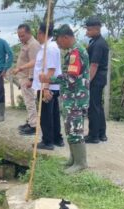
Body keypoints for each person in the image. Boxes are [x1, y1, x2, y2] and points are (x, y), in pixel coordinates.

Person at [40, 24, 89, 173]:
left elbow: (71, 78)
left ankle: (80, 163)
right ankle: (73, 159)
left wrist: (49, 78)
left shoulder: (76, 53)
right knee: (70, 129)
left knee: (75, 130)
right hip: (72, 97)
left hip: (75, 98)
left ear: (66, 37)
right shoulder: (73, 52)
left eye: (59, 40)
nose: (58, 43)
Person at [33, 22, 64, 150]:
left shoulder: (50, 48)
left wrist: (45, 88)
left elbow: (50, 70)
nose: (37, 37)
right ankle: (57, 138)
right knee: (54, 114)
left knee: (46, 115)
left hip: (47, 87)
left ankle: (48, 141)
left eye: (38, 34)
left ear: (41, 33)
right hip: (50, 86)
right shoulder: (49, 47)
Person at [12, 24, 41, 134]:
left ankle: (33, 126)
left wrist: (31, 79)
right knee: (27, 101)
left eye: (23, 36)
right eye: (19, 36)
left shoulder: (33, 45)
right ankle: (30, 121)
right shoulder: (25, 44)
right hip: (23, 77)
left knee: (30, 102)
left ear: (29, 33)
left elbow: (34, 63)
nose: (20, 38)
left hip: (28, 78)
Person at [85, 17, 109, 143]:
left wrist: (87, 81)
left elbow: (94, 65)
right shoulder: (96, 41)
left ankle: (93, 136)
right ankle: (101, 134)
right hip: (99, 78)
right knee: (97, 106)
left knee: (93, 107)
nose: (87, 32)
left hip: (96, 79)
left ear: (96, 29)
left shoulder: (99, 44)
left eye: (89, 30)